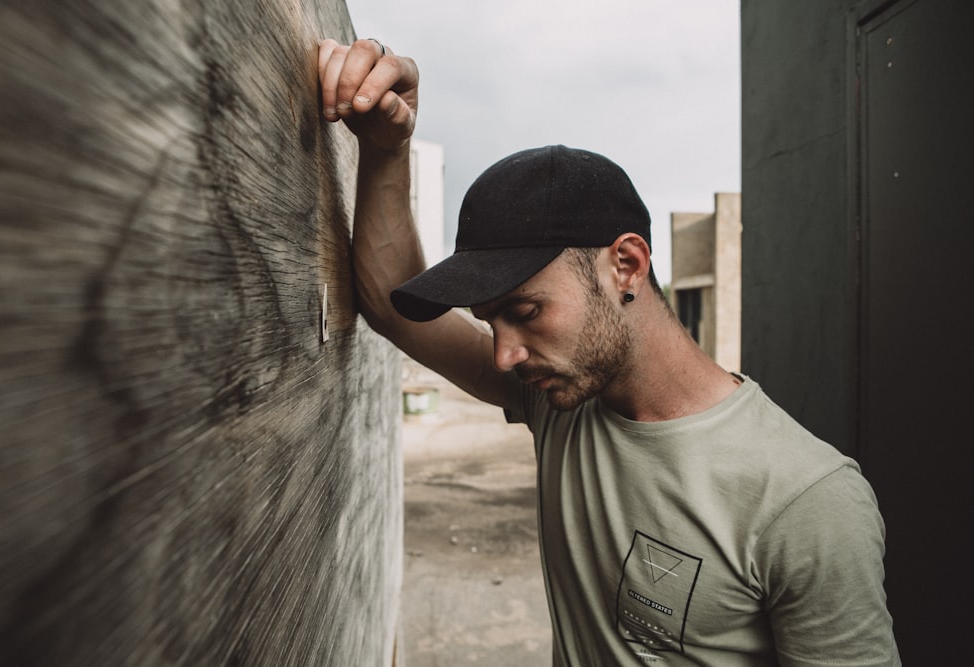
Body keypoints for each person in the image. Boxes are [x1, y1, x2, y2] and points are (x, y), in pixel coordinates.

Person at [318, 38, 900, 666]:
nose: (504, 355)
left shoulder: (807, 498)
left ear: (626, 265)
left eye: (525, 311)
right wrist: (386, 150)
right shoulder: (562, 400)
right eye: (491, 321)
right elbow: (392, 308)